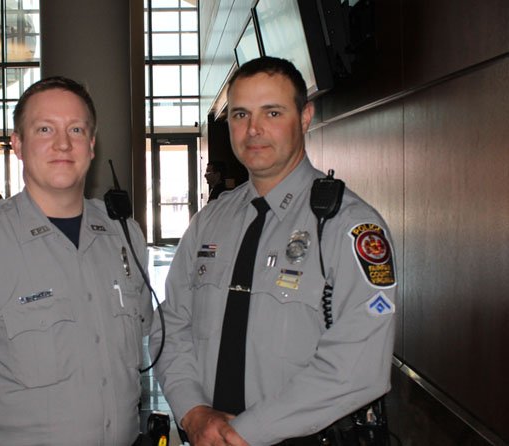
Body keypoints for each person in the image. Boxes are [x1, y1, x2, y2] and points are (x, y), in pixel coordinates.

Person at [149, 56, 397, 446]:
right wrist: (193, 412)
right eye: (240, 114)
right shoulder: (208, 223)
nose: (253, 129)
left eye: (273, 112)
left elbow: (357, 366)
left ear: (304, 117)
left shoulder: (347, 226)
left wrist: (242, 434)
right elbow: (171, 326)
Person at [0, 76, 153, 445]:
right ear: (18, 144)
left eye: (76, 129)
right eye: (45, 128)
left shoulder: (124, 236)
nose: (63, 143)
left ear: (92, 145)